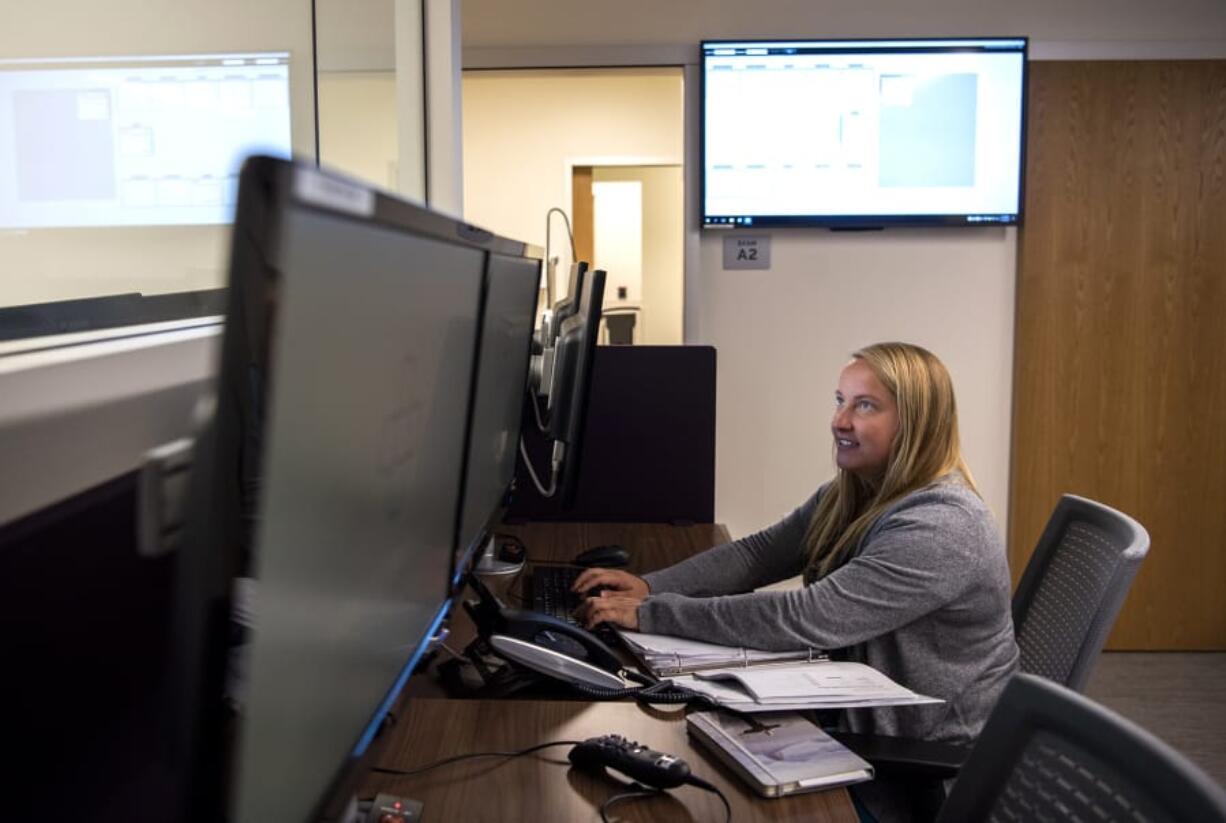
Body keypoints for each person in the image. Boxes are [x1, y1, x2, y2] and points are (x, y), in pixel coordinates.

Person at [573, 341, 1019, 823]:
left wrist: (650, 614)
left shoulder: (942, 527)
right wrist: (650, 586)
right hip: (851, 710)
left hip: (911, 761)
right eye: (839, 400)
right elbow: (760, 553)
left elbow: (807, 618)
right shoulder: (859, 491)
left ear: (916, 423)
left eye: (864, 405)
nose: (840, 420)